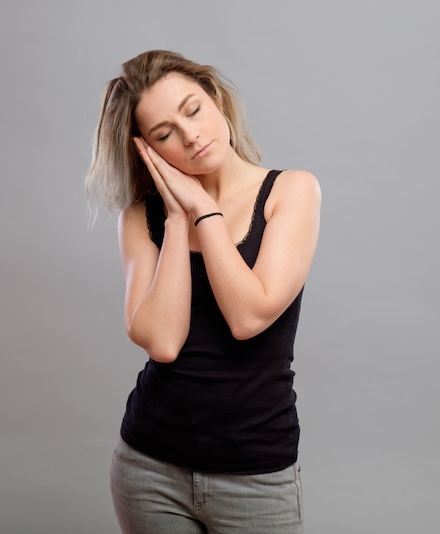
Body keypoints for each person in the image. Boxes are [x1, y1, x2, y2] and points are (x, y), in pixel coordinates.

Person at [84, 49, 321, 533]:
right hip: (148, 468)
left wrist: (205, 213)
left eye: (192, 110)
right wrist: (176, 218)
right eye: (164, 133)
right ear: (146, 151)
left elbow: (248, 316)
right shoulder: (141, 217)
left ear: (215, 99)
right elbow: (163, 342)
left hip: (256, 474)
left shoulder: (290, 191)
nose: (190, 135)